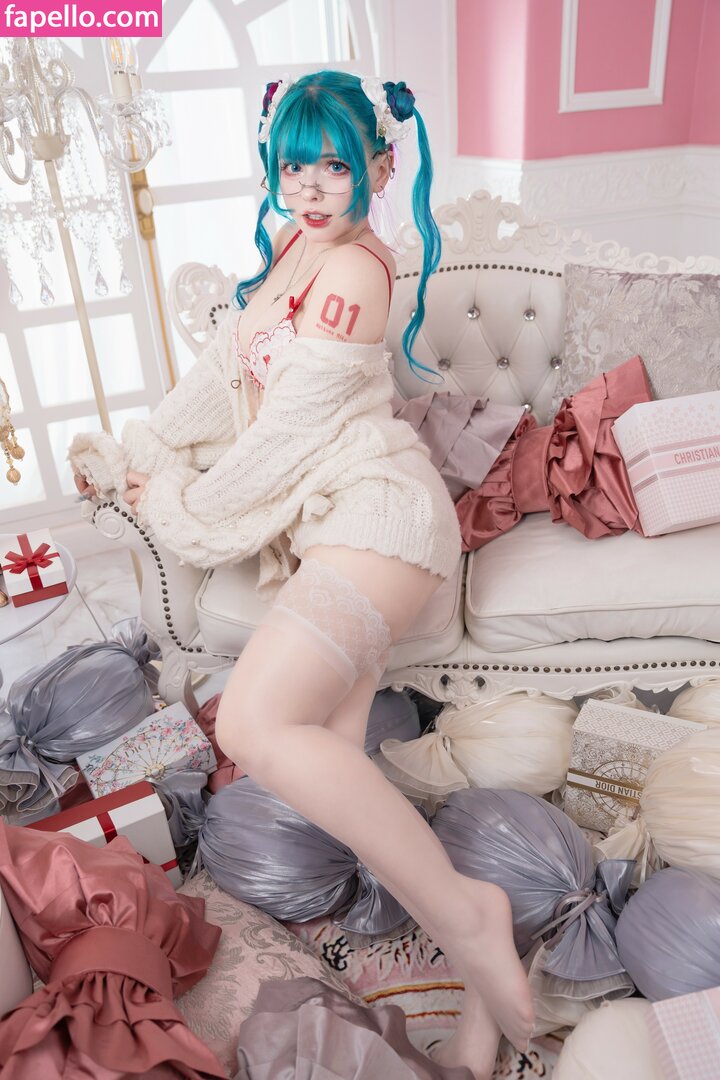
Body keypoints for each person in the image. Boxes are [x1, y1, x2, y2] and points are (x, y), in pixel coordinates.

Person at [71, 70, 535, 1078]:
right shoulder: (294, 243)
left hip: (380, 510)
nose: (311, 187)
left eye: (333, 165)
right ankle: (478, 995)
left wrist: (174, 502)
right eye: (293, 167)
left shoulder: (358, 272)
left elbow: (281, 440)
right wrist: (139, 447)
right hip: (331, 523)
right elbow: (220, 384)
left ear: (378, 167)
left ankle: (473, 916)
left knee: (249, 726)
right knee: (338, 780)